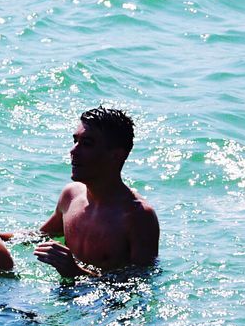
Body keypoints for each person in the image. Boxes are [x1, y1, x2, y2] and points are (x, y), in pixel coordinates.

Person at [33, 107, 159, 278]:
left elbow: (139, 284)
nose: (73, 151)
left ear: (116, 156)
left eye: (87, 144)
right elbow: (41, 236)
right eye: (75, 141)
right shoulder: (71, 195)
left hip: (104, 304)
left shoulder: (138, 216)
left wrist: (76, 272)